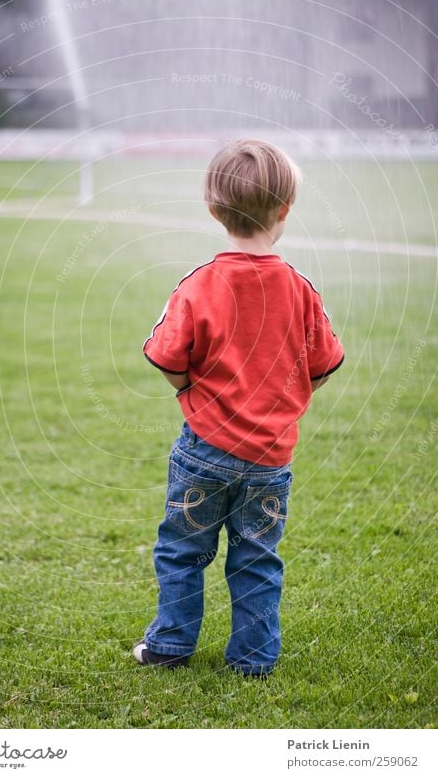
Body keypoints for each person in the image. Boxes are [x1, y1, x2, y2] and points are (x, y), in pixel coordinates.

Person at [133, 139, 345, 677]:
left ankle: (170, 647)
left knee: (183, 549)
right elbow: (323, 364)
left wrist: (188, 390)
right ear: (285, 210)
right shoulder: (300, 289)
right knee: (257, 557)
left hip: (204, 448)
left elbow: (165, 355)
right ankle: (253, 658)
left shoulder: (197, 285)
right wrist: (281, 402)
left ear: (213, 210)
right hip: (271, 457)